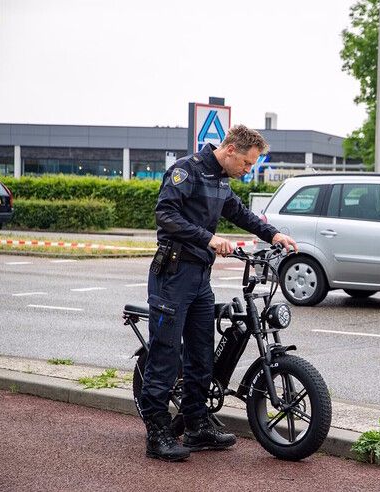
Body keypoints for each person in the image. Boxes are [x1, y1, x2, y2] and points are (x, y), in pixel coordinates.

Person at [139, 125, 298, 461]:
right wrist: (207, 238)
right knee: (166, 354)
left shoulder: (221, 180)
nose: (248, 169)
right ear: (229, 151)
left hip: (200, 277)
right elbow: (165, 215)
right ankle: (157, 433)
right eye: (246, 162)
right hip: (173, 274)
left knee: (201, 354)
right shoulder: (186, 171)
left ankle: (197, 426)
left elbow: (241, 214)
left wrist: (274, 235)